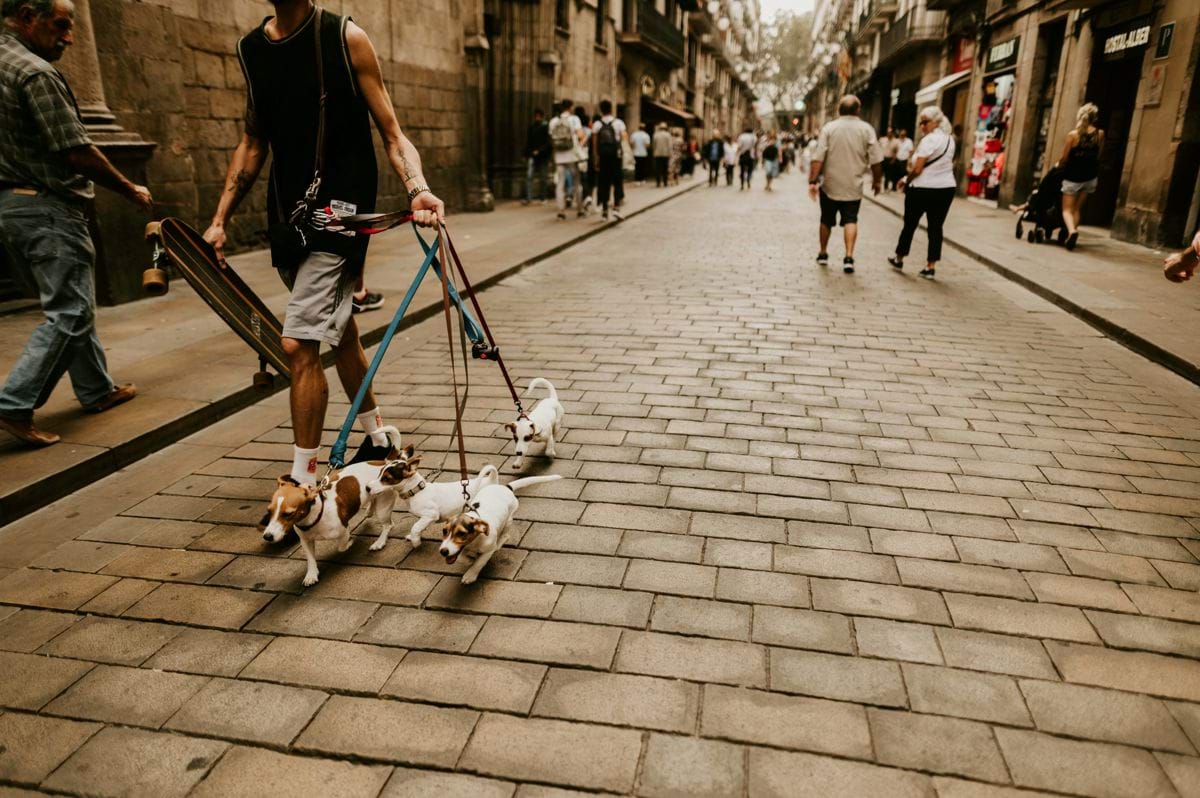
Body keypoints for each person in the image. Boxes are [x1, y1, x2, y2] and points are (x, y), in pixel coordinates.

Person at [203, 0, 445, 486]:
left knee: (300, 342)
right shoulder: (251, 49)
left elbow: (392, 133)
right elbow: (253, 141)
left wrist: (417, 189)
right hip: (288, 217)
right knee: (343, 330)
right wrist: (218, 219)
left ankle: (303, 480)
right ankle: (378, 439)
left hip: (340, 216)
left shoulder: (345, 38)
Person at [0, 0, 152, 446]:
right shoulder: (36, 73)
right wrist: (129, 187)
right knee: (70, 311)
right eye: (61, 25)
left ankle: (96, 389)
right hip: (47, 207)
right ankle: (14, 403)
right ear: (28, 16)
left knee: (69, 300)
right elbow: (74, 149)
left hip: (11, 207)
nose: (69, 36)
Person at [808, 95, 883, 274]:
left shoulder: (829, 128)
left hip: (830, 184)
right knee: (851, 219)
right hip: (853, 185)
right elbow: (876, 159)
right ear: (858, 110)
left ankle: (823, 253)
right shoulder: (867, 129)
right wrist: (877, 180)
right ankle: (848, 257)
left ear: (839, 110)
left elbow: (818, 157)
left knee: (826, 220)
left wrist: (813, 180)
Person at [887, 106, 957, 280]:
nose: (922, 126)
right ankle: (930, 266)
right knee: (936, 227)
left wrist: (906, 180)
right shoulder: (950, 140)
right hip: (946, 188)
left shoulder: (929, 140)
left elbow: (918, 168)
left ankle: (899, 258)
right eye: (921, 122)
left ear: (936, 122)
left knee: (910, 224)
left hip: (922, 188)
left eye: (925, 122)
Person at [1057, 102, 1104, 251]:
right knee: (1077, 209)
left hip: (1073, 176)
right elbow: (1099, 155)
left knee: (1067, 210)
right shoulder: (1100, 134)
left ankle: (1072, 231)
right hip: (1090, 177)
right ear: (1094, 118)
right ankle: (1071, 237)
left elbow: (1064, 158)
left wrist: (1058, 165)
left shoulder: (1073, 135)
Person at [548, 98, 585, 219]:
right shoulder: (574, 119)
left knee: (560, 183)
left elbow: (551, 137)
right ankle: (580, 209)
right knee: (577, 182)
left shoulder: (554, 121)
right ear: (570, 107)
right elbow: (580, 135)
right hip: (572, 155)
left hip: (559, 155)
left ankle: (561, 211)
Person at [591, 99, 626, 221]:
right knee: (617, 180)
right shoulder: (619, 123)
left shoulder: (597, 124)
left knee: (603, 182)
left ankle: (605, 210)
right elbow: (624, 141)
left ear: (601, 110)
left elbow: (595, 144)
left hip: (603, 157)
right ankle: (616, 207)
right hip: (616, 156)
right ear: (611, 109)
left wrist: (596, 158)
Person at [522, 107, 550, 204]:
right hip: (532, 154)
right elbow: (528, 141)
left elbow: (548, 142)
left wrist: (539, 150)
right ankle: (529, 198)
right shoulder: (532, 126)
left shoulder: (546, 127)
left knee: (543, 177)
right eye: (536, 116)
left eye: (539, 116)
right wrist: (527, 153)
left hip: (542, 155)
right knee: (529, 176)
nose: (537, 118)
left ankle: (543, 197)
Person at [652, 122, 671, 187]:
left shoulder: (656, 135)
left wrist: (654, 152)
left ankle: (658, 182)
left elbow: (654, 145)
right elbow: (669, 145)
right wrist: (670, 153)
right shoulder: (668, 135)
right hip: (665, 154)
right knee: (665, 169)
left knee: (658, 169)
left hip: (657, 154)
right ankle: (665, 182)